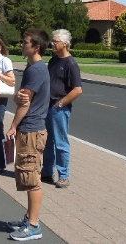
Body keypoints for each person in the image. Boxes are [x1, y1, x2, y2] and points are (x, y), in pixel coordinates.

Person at [5, 29, 51, 241]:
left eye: (25, 42)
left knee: (32, 178)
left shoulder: (36, 70)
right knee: (28, 175)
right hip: (32, 128)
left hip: (31, 129)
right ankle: (29, 218)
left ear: (36, 47)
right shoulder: (36, 68)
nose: (22, 44)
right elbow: (21, 98)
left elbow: (24, 102)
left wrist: (13, 125)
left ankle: (33, 226)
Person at [41, 29, 82, 189]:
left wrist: (60, 103)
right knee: (48, 141)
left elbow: (77, 89)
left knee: (60, 142)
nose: (53, 43)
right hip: (48, 105)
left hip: (59, 108)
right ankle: (47, 171)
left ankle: (63, 176)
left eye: (56, 41)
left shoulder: (70, 64)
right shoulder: (53, 60)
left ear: (65, 44)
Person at [0, 37, 15, 173]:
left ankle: (0, 162)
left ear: (0, 48)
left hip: (0, 98)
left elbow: (12, 81)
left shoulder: (4, 61)